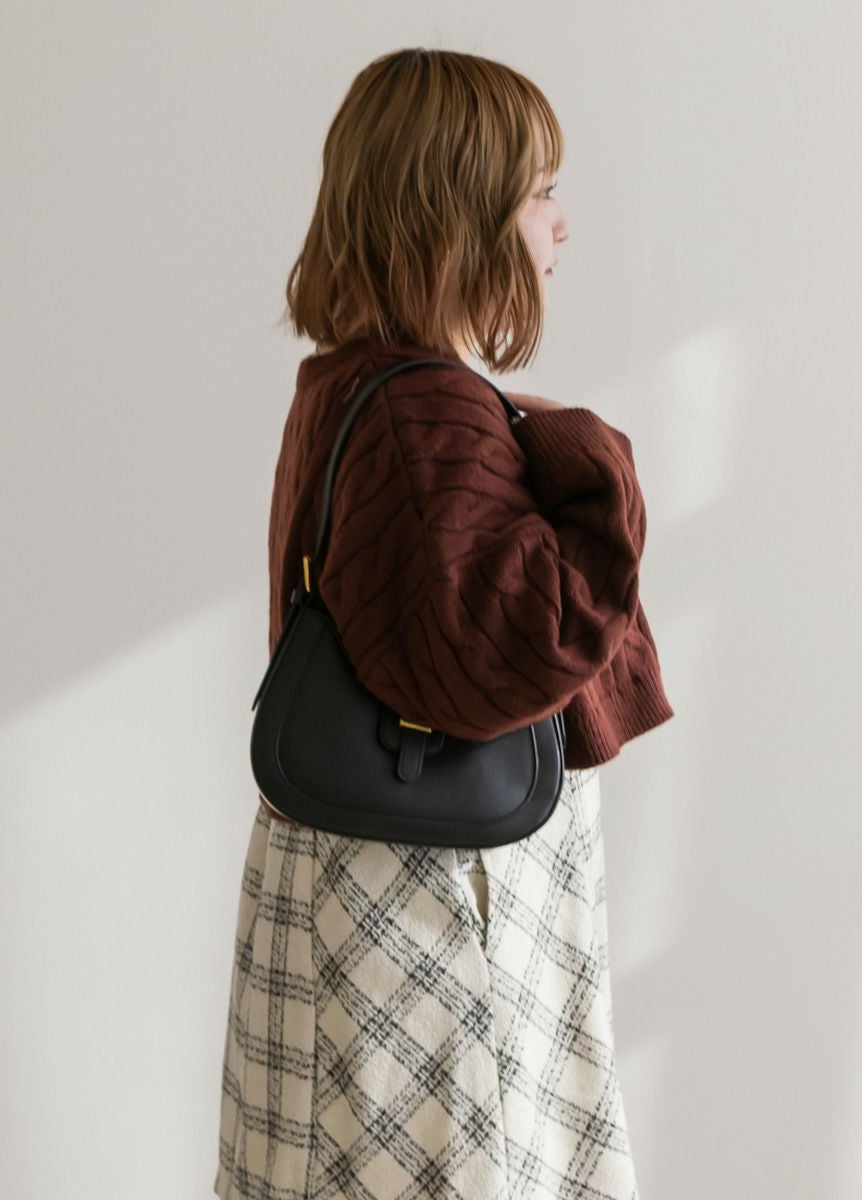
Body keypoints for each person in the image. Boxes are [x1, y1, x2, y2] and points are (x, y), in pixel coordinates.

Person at [214, 46, 674, 1200]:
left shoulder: (354, 383)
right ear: (456, 216)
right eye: (540, 193)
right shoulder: (425, 414)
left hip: (374, 881)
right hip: (426, 909)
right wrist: (592, 455)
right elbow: (498, 656)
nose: (561, 226)